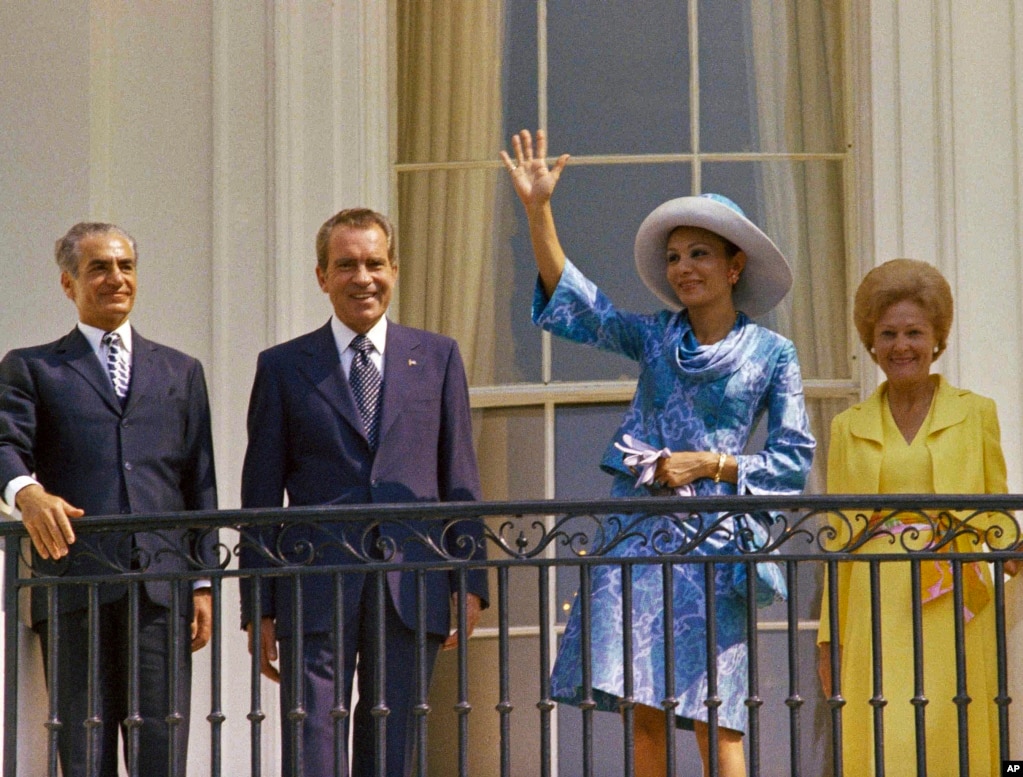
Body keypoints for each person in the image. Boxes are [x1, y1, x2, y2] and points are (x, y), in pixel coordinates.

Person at [501, 129, 815, 777]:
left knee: (716, 715)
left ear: (733, 267)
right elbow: (583, 308)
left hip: (715, 544)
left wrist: (711, 463)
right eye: (673, 256)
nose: (683, 267)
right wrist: (538, 212)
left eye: (699, 253)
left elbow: (791, 457)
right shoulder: (653, 338)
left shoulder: (771, 354)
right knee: (643, 712)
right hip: (638, 538)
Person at [238, 207, 489, 777]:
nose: (363, 277)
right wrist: (260, 605)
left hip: (412, 580)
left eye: (375, 263)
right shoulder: (281, 367)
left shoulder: (438, 357)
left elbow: (460, 478)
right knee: (313, 745)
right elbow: (259, 495)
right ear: (322, 276)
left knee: (396, 744)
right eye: (346, 264)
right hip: (313, 581)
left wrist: (469, 579)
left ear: (394, 270)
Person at [0, 222, 218, 777]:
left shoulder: (181, 371)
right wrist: (27, 493)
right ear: (69, 284)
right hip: (76, 588)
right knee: (83, 754)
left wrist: (199, 583)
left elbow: (199, 483)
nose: (116, 278)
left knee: (161, 758)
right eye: (99, 268)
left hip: (160, 593)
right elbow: (4, 443)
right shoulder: (32, 368)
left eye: (125, 266)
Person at [816, 258, 1019, 776]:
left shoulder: (977, 413)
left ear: (936, 340)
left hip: (953, 598)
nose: (901, 346)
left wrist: (1017, 550)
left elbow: (998, 514)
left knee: (951, 731)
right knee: (884, 735)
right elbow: (837, 542)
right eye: (888, 333)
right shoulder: (846, 426)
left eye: (914, 332)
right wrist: (828, 638)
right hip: (873, 602)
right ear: (871, 342)